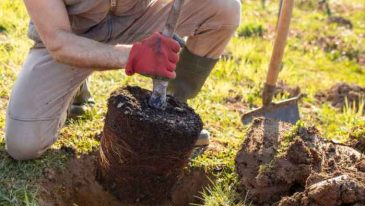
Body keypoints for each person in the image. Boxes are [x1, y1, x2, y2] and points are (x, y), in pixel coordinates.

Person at [5, 0, 241, 161]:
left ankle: (170, 114)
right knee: (23, 144)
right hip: (71, 37)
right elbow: (58, 41)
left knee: (223, 8)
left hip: (137, 20)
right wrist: (133, 56)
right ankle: (74, 88)